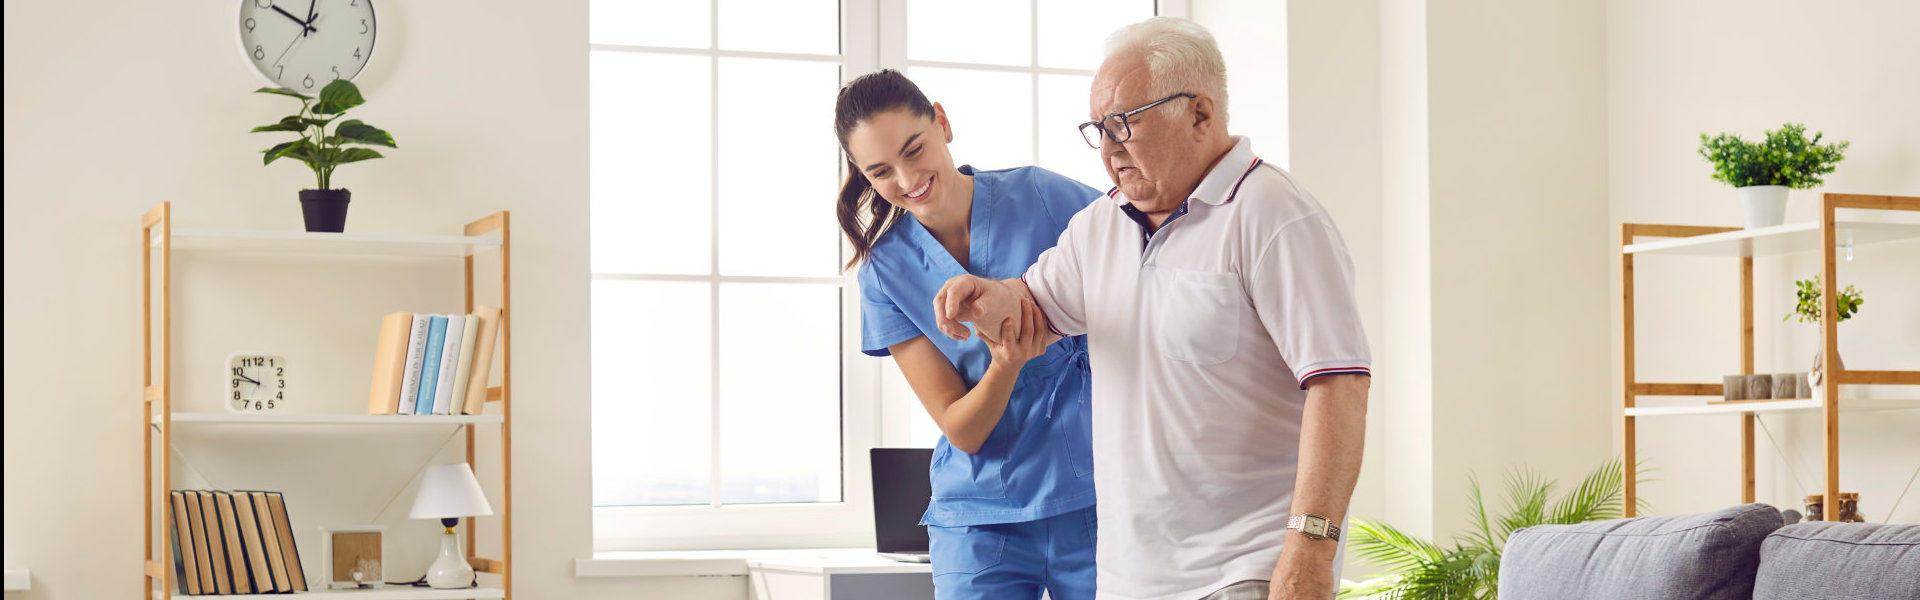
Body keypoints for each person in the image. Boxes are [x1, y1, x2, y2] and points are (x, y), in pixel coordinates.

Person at [932, 18, 1372, 600]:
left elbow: (1340, 386)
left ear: (1200, 113)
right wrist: (986, 300)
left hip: (1246, 571)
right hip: (1127, 579)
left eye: (1124, 124)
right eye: (1098, 129)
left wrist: (1311, 550)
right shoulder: (1099, 227)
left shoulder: (1274, 216)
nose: (1109, 149)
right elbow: (1030, 314)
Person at [834, 69, 1103, 600]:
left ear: (942, 122)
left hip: (1096, 496)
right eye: (881, 171)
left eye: (914, 149)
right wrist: (1006, 363)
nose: (908, 179)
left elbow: (1143, 262)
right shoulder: (885, 273)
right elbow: (964, 430)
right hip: (979, 518)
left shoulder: (1045, 196)